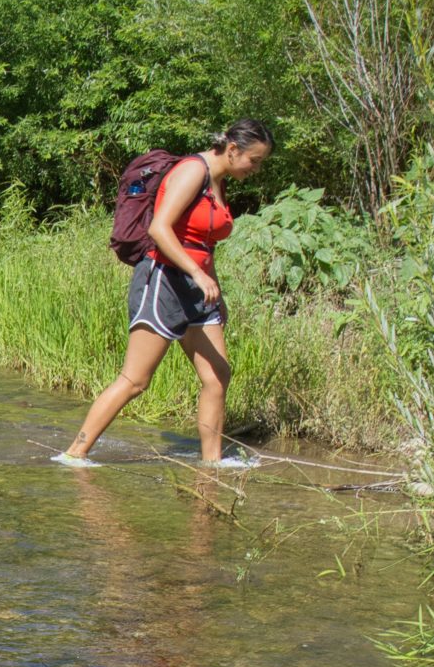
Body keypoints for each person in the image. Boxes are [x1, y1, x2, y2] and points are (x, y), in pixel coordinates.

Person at [58, 121, 274, 468]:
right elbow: (159, 228)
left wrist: (216, 294)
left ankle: (212, 464)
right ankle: (75, 453)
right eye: (255, 160)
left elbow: (204, 244)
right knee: (135, 380)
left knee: (218, 376)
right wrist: (197, 274)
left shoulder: (217, 182)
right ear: (233, 149)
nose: (256, 169)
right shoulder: (192, 171)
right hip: (163, 280)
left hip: (198, 289)